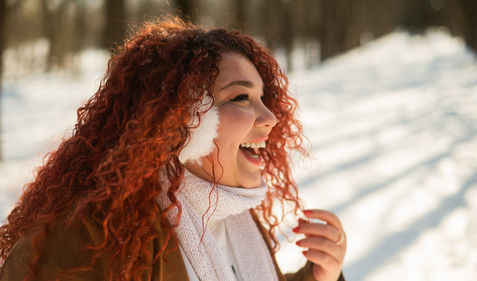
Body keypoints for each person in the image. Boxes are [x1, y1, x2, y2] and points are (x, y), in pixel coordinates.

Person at [0, 18, 346, 281]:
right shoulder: (88, 238)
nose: (269, 117)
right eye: (241, 97)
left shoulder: (233, 219)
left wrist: (318, 277)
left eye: (262, 97)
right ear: (185, 120)